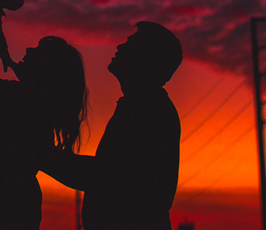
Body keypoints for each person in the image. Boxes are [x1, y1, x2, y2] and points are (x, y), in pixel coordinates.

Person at [39, 21, 182, 230]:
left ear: (146, 59)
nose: (120, 47)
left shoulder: (148, 111)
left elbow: (105, 176)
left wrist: (40, 155)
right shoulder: (142, 106)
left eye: (130, 44)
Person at [0, 31, 88, 230]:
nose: (29, 50)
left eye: (40, 52)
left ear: (49, 70)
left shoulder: (20, 101)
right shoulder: (36, 106)